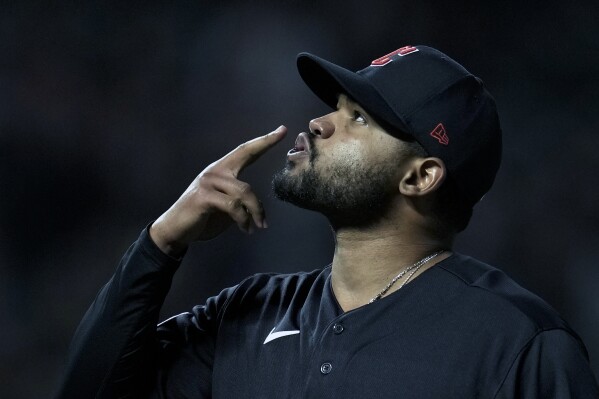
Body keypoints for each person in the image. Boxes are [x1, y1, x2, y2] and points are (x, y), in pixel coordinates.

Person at [57, 45, 599, 398]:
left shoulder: (520, 342)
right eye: (335, 108)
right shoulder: (246, 311)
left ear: (420, 176)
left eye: (358, 118)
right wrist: (161, 242)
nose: (318, 123)